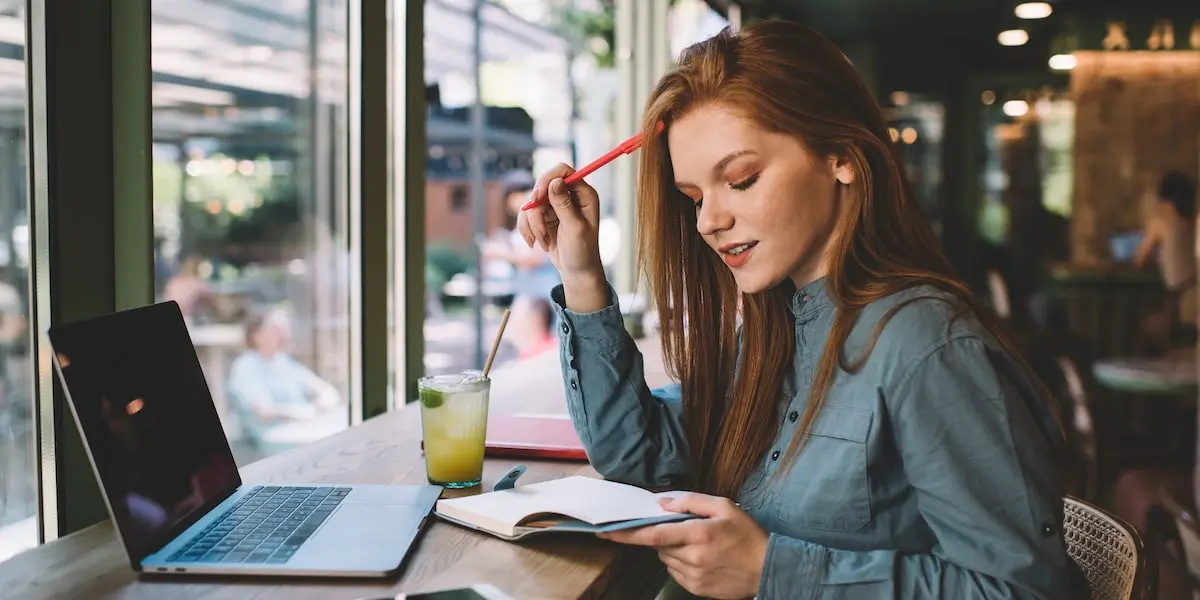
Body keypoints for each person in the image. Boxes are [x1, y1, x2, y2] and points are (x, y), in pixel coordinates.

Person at [519, 20, 1077, 600]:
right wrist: (581, 274)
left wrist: (771, 571)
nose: (710, 220)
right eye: (695, 198)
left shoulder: (927, 346)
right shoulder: (775, 326)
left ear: (840, 155)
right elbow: (638, 455)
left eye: (742, 179)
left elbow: (1023, 591)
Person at [1134, 171, 1197, 347]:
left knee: (1139, 326)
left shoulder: (1160, 222)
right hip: (1194, 290)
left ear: (1166, 201)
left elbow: (1139, 260)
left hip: (1178, 300)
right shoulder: (1193, 223)